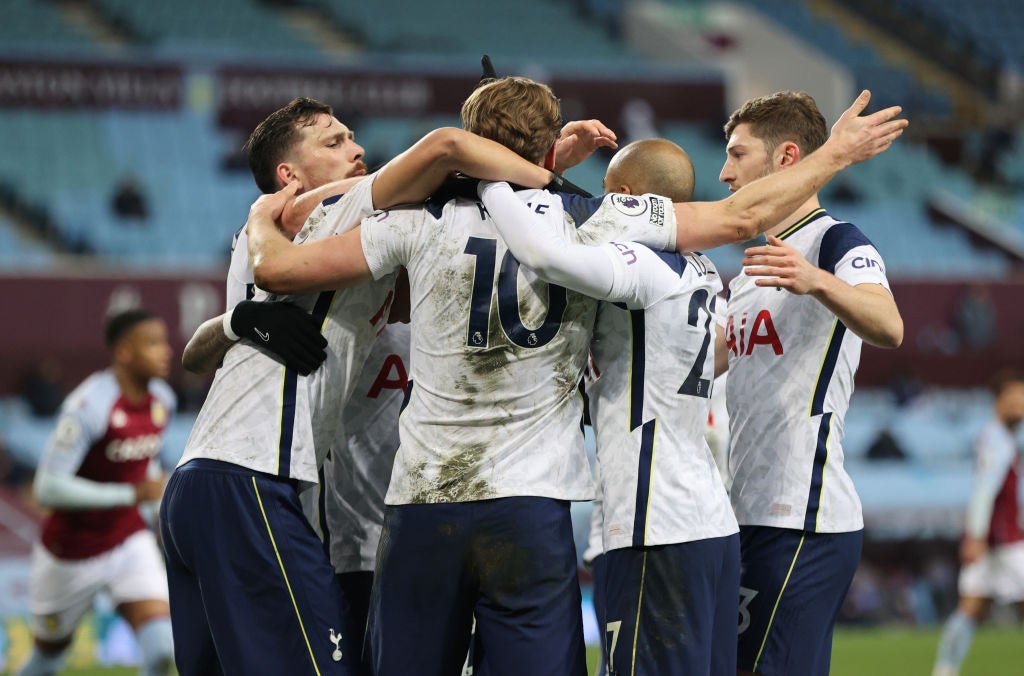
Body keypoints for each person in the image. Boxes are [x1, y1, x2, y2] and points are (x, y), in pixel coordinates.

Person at [245, 78, 905, 675]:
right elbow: (730, 220)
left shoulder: (414, 222)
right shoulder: (603, 223)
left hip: (428, 499)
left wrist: (260, 225)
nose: (727, 171)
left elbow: (281, 270)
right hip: (538, 505)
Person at [160, 95, 607, 675]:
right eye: (334, 142)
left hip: (206, 480)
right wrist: (545, 172)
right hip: (253, 477)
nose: (358, 149)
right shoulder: (331, 210)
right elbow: (446, 150)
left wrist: (235, 320)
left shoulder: (278, 225)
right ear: (287, 175)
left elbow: (201, 353)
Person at [480, 137, 741, 675]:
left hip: (653, 523)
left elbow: (549, 257)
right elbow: (716, 353)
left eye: (604, 196)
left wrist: (490, 183)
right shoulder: (706, 272)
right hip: (711, 522)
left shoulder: (643, 263)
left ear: (625, 198)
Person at [712, 91, 904, 676]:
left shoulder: (836, 242)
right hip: (745, 510)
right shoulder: (747, 272)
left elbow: (889, 326)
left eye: (737, 154)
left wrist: (818, 281)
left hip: (804, 515)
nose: (725, 172)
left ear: (787, 157)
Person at [19, 309, 175, 676]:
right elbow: (48, 487)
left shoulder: (162, 401)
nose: (166, 351)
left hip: (127, 541)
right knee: (47, 660)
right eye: (153, 343)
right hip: (69, 553)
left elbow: (144, 466)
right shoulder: (88, 405)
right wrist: (130, 495)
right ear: (123, 352)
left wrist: (158, 516)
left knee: (163, 652)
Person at [932, 370, 1024, 676]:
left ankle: (944, 670)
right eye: (1014, 398)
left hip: (995, 540)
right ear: (998, 402)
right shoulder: (997, 440)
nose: (1020, 404)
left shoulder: (1001, 437)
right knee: (971, 607)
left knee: (971, 608)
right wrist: (976, 536)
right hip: (1004, 542)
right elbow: (985, 490)